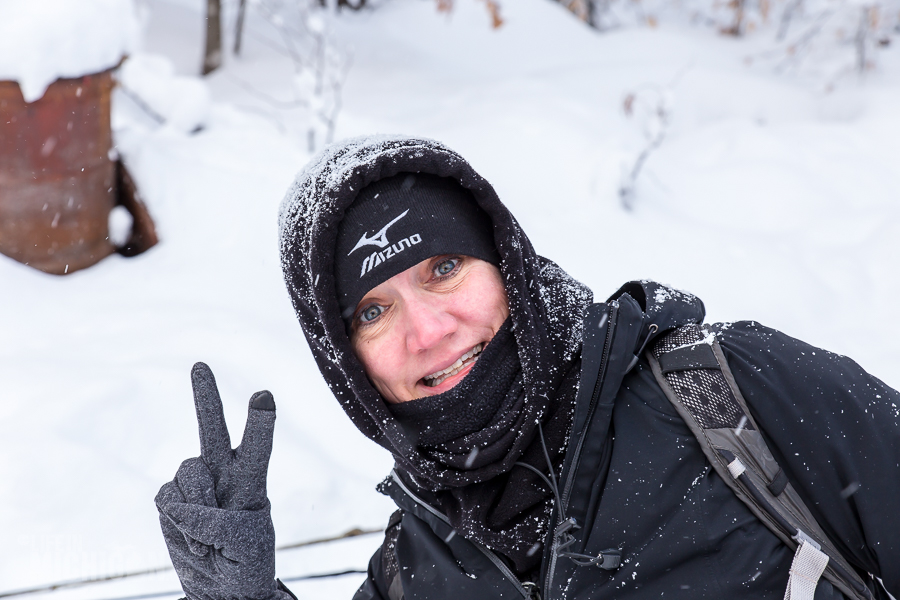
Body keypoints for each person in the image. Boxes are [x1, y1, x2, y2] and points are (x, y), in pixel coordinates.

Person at [155, 135, 900, 600]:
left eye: (443, 268)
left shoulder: (733, 396)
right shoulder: (413, 570)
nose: (429, 330)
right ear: (344, 362)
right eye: (372, 313)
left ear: (509, 265)